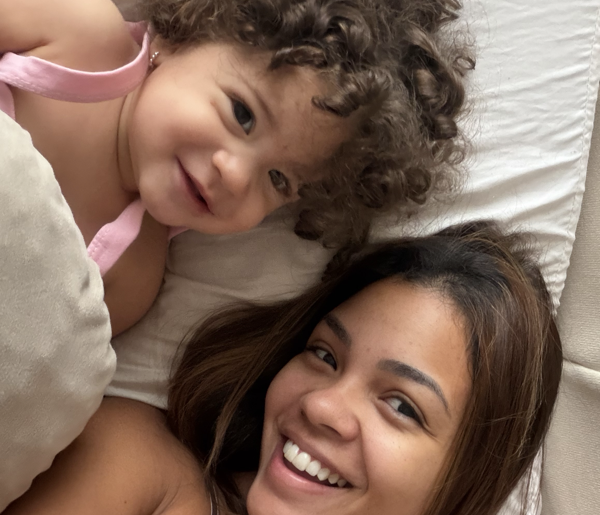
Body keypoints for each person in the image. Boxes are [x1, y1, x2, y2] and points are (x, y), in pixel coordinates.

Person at [0, 221, 561, 515]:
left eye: (400, 405)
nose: (321, 404)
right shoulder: (137, 467)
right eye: (325, 355)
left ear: (468, 478)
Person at [0, 0, 472, 334]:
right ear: (181, 34)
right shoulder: (78, 34)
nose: (237, 176)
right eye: (242, 114)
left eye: (278, 179)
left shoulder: (132, 271)